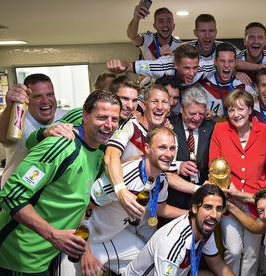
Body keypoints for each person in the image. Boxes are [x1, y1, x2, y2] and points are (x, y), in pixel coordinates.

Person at [0, 90, 121, 275]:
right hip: (17, 257)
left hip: (47, 256)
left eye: (114, 119)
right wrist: (53, 235)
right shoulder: (61, 145)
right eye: (102, 117)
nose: (109, 125)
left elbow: (79, 203)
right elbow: (10, 195)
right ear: (85, 116)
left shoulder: (98, 153)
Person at [58, 126, 186, 275]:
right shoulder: (124, 175)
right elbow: (85, 207)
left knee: (148, 263)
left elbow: (159, 208)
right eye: (162, 148)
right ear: (147, 148)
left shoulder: (161, 180)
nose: (169, 154)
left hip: (113, 236)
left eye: (172, 148)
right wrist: (85, 251)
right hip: (85, 237)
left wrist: (191, 214)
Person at [209, 89, 266, 275]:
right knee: (234, 250)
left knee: (252, 254)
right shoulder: (220, 130)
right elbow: (214, 166)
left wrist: (256, 196)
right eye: (231, 110)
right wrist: (229, 191)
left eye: (240, 109)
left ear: (250, 110)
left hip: (255, 201)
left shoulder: (265, 131)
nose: (235, 114)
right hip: (230, 201)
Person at [126, 184, 235, 276]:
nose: (214, 215)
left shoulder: (205, 226)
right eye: (208, 207)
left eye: (219, 209)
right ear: (195, 208)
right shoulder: (175, 241)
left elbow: (217, 265)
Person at [104, 84, 170, 220]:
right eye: (154, 101)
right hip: (117, 205)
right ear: (144, 105)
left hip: (144, 213)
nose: (160, 106)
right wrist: (121, 190)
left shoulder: (168, 137)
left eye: (165, 102)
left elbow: (165, 175)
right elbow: (111, 156)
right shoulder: (129, 125)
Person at [0, 73, 67, 186]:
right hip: (17, 194)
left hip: (49, 195)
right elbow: (2, 138)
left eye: (50, 94)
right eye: (37, 96)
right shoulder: (18, 119)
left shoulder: (67, 117)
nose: (45, 101)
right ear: (27, 99)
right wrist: (9, 107)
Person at [167, 87, 215, 211]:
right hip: (173, 198)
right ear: (182, 109)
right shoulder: (169, 125)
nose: (197, 118)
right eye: (193, 113)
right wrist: (178, 166)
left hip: (204, 198)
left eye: (201, 114)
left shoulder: (212, 127)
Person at [194, 42, 256, 118]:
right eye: (222, 61)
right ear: (215, 62)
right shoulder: (202, 83)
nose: (226, 65)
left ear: (235, 63)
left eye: (230, 61)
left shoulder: (244, 85)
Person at [107, 44, 213, 87]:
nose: (192, 73)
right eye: (186, 68)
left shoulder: (203, 68)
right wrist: (122, 66)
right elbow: (133, 66)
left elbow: (221, 64)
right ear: (176, 64)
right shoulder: (161, 67)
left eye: (195, 68)